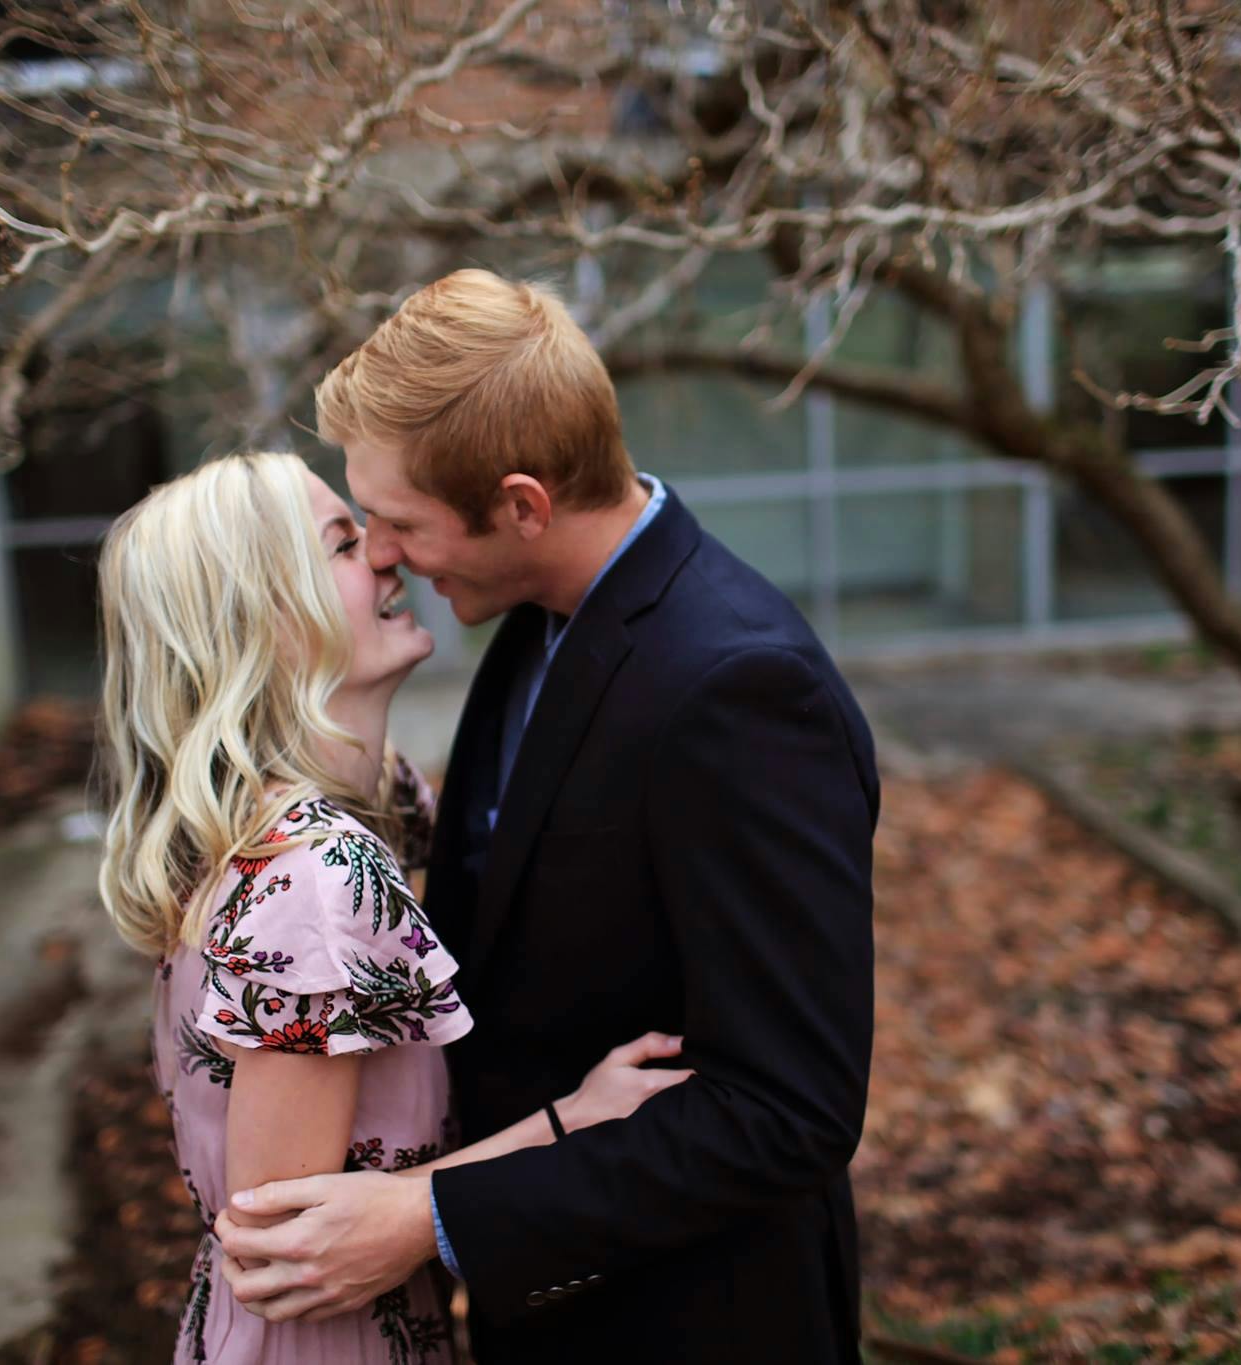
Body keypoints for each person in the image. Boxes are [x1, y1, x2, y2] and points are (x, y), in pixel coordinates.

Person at [214, 271, 881, 1364]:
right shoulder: (537, 619)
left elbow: (787, 1112)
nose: (381, 553)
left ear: (522, 504)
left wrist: (432, 1218)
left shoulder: (741, 690)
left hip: (691, 1323)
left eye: (399, 521)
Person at [95, 451, 693, 1365]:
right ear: (267, 621)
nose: (387, 554)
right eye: (343, 543)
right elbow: (279, 1244)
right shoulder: (317, 874)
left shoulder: (358, 807)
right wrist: (573, 1120)